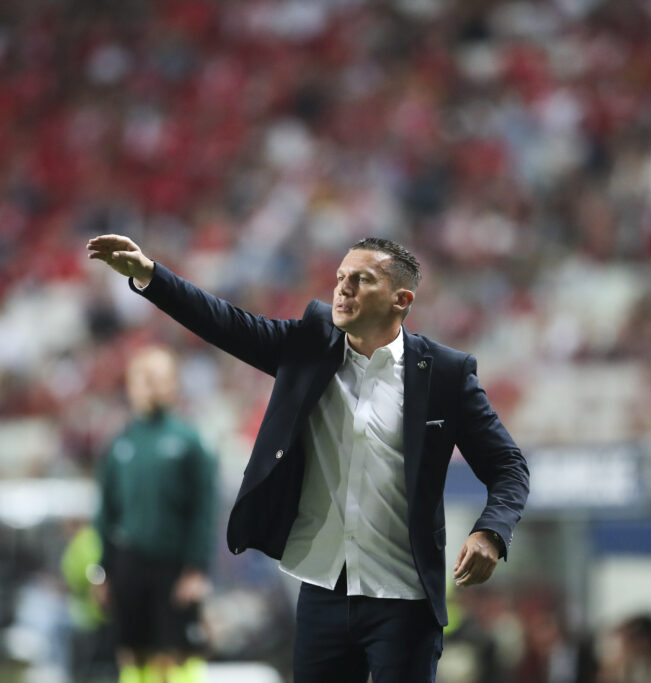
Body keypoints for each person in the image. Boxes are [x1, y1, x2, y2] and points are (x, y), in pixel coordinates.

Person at [87, 234, 531, 682]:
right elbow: (226, 323)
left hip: (405, 597)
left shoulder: (445, 375)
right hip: (323, 590)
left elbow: (508, 465)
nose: (343, 288)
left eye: (362, 279)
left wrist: (491, 533)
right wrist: (149, 275)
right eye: (341, 277)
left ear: (402, 299)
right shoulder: (310, 345)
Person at [94, 345, 218, 683]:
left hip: (174, 566)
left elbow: (203, 509)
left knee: (173, 654)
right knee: (131, 651)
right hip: (129, 564)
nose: (152, 386)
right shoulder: (119, 443)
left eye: (160, 378)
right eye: (145, 378)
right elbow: (106, 511)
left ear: (174, 385)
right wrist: (102, 570)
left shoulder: (189, 441)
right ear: (131, 384)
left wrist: (196, 569)